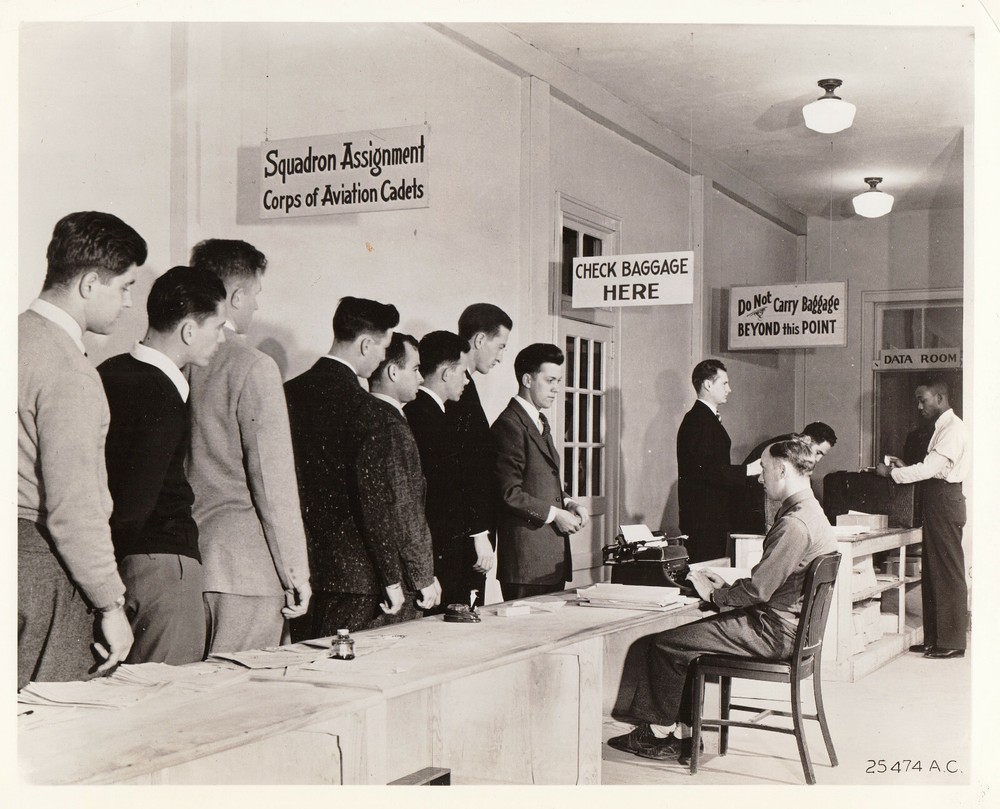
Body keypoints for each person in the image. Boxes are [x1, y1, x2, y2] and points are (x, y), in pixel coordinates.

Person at [609, 437, 836, 763]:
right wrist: (727, 587)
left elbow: (759, 591)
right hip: (791, 630)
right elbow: (773, 582)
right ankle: (684, 733)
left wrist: (714, 594)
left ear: (783, 470)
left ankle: (658, 736)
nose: (761, 478)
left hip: (773, 632)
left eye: (764, 469)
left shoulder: (794, 525)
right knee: (690, 640)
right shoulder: (813, 513)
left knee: (666, 644)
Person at [18, 211, 146, 689]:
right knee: (51, 717)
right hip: (36, 564)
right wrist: (110, 604)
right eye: (125, 286)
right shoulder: (68, 368)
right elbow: (74, 508)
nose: (129, 302)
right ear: (90, 283)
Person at [187, 239, 311, 654]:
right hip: (245, 570)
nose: (256, 305)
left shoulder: (175, 362)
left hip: (185, 568)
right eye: (255, 294)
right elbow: (273, 484)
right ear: (237, 296)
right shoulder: (252, 365)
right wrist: (296, 572)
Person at [99, 266, 227, 664]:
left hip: (115, 569)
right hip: (165, 572)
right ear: (188, 331)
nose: (222, 338)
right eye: (217, 327)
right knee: (169, 696)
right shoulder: (163, 394)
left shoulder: (107, 372)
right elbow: (135, 504)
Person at [285, 297, 405, 637]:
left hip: (300, 569)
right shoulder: (367, 409)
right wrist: (391, 578)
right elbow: (372, 503)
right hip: (354, 577)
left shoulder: (288, 392)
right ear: (366, 344)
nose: (382, 357)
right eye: (383, 348)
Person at [877, 377, 970, 659]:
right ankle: (935, 639)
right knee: (933, 571)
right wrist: (907, 466)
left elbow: (929, 470)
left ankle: (952, 641)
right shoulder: (942, 427)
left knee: (947, 572)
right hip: (938, 499)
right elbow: (934, 468)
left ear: (940, 397)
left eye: (923, 400)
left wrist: (891, 473)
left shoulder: (952, 429)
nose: (919, 406)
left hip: (944, 501)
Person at [492, 343, 590, 599]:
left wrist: (569, 503)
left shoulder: (539, 421)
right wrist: (555, 514)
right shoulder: (509, 425)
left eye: (558, 381)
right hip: (526, 564)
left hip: (548, 561)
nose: (556, 388)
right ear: (527, 380)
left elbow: (543, 481)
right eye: (550, 381)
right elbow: (509, 493)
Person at [404, 330, 484, 610]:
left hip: (442, 553)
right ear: (446, 373)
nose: (466, 381)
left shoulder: (434, 414)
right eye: (462, 373)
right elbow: (439, 496)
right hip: (439, 557)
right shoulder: (428, 418)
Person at [368, 332, 443, 621]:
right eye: (415, 369)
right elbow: (403, 507)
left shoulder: (365, 415)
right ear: (393, 372)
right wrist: (423, 576)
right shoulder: (392, 426)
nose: (421, 379)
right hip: (400, 580)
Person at [446, 303, 513, 600]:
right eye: (500, 346)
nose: (500, 357)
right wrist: (478, 532)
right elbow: (463, 469)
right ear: (480, 340)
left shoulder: (467, 388)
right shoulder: (458, 393)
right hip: (465, 537)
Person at [676, 359, 762, 563]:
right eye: (724, 383)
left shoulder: (704, 418)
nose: (729, 389)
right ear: (708, 384)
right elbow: (706, 470)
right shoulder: (698, 420)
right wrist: (747, 470)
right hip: (703, 519)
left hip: (710, 517)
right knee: (705, 570)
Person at [732, 422, 838, 533]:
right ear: (806, 439)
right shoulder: (784, 450)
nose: (817, 459)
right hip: (752, 514)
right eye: (818, 452)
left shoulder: (787, 445)